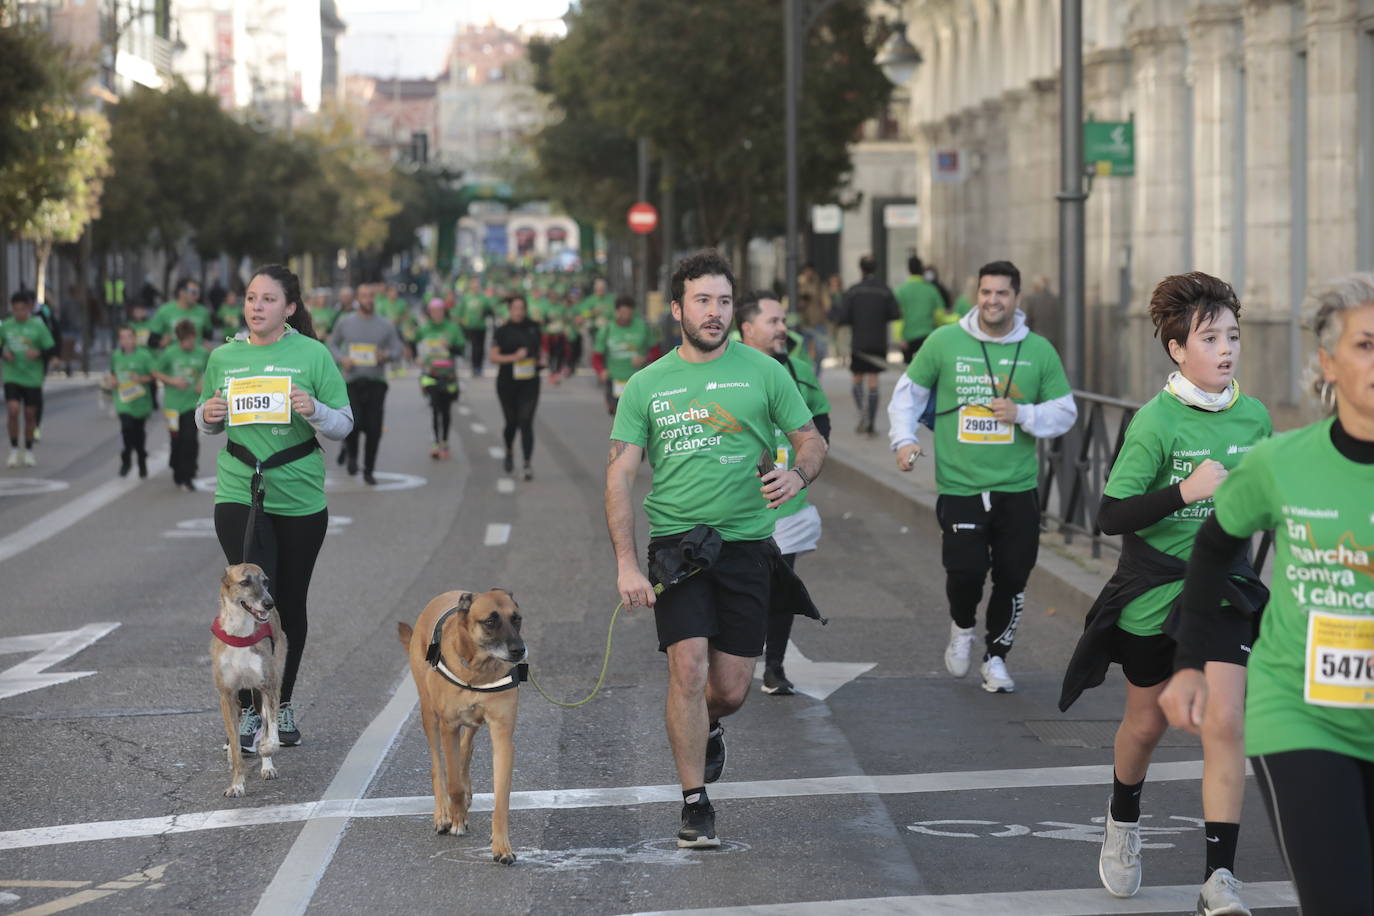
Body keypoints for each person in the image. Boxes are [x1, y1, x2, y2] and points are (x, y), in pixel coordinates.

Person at [1160, 273, 1374, 915]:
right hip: (1303, 713)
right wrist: (1190, 662)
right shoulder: (1282, 462)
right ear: (1327, 363)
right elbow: (1216, 547)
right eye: (1366, 345)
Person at [1057, 273, 1270, 912]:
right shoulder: (1154, 422)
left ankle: (1218, 878)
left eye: (1233, 335)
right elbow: (1110, 516)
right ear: (1178, 349)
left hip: (1224, 589)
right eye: (1210, 337)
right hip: (1154, 592)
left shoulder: (1254, 415)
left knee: (1224, 723)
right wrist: (1187, 490)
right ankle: (1123, 818)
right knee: (1146, 724)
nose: (1226, 348)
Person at [605, 250, 825, 849]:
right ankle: (694, 803)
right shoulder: (647, 385)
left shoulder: (765, 372)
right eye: (703, 300)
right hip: (677, 547)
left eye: (724, 301)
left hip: (748, 546)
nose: (715, 312)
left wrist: (799, 476)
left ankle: (707, 727)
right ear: (677, 308)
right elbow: (620, 475)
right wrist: (627, 563)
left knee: (728, 690)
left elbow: (811, 440)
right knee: (687, 667)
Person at [888, 259, 1077, 693]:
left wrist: (1023, 413)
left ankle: (996, 658)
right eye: (986, 292)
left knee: (1013, 576)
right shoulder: (944, 342)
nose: (993, 301)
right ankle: (962, 627)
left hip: (1017, 487)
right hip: (961, 484)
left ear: (1017, 298)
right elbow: (907, 397)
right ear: (978, 294)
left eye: (1002, 293)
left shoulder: (1038, 351)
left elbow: (1066, 411)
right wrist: (903, 440)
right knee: (967, 572)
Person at [197, 263, 352, 753]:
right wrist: (208, 414)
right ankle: (248, 714)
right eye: (250, 298)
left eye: (267, 299)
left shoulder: (312, 354)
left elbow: (343, 423)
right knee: (249, 598)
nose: (256, 307)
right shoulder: (224, 356)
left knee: (286, 602)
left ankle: (280, 702)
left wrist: (315, 410)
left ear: (289, 307)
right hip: (240, 489)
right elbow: (206, 419)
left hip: (299, 493)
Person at [736, 290, 831, 696]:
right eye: (773, 321)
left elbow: (821, 425)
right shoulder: (724, 369)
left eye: (783, 320)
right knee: (741, 590)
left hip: (787, 504)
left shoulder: (800, 370)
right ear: (747, 329)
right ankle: (731, 661)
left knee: (780, 585)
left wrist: (799, 467)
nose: (782, 329)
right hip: (734, 508)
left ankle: (773, 666)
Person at [329, 282, 403, 485]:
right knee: (354, 422)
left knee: (374, 429)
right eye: (364, 296)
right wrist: (342, 359)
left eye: (371, 296)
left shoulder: (385, 325)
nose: (368, 300)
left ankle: (369, 469)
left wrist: (386, 355)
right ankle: (352, 454)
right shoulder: (345, 322)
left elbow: (398, 350)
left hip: (376, 381)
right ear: (357, 299)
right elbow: (332, 344)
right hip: (352, 380)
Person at [832, 254, 899, 435]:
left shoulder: (854, 291)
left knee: (857, 378)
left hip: (859, 342)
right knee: (873, 380)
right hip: (878, 341)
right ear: (875, 268)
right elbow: (895, 313)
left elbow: (843, 317)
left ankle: (862, 411)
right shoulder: (884, 290)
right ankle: (872, 419)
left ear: (860, 269)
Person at [489, 294, 543, 480]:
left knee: (526, 421)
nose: (519, 312)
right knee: (511, 422)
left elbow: (540, 352)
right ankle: (510, 450)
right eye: (515, 309)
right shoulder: (502, 331)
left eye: (522, 308)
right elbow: (493, 357)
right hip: (507, 383)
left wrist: (541, 361)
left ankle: (527, 463)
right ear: (510, 310)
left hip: (530, 382)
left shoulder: (534, 328)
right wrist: (514, 357)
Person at [153, 318, 211, 491]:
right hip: (172, 405)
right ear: (179, 339)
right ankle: (177, 468)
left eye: (190, 339)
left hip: (192, 404)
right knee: (176, 440)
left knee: (190, 439)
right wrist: (172, 380)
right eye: (184, 340)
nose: (187, 343)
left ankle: (188, 474)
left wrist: (204, 380)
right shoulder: (170, 353)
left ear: (194, 336)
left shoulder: (202, 352)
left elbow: (212, 369)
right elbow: (156, 371)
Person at [2, 290, 55, 467]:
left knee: (30, 414)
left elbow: (50, 348)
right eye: (16, 310)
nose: (19, 313)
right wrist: (4, 353)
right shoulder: (5, 326)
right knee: (13, 409)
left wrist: (39, 352)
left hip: (33, 377)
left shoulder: (38, 326)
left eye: (23, 309)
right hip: (12, 375)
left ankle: (29, 450)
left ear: (29, 308)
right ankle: (15, 449)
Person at [415, 297, 466, 459]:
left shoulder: (453, 328)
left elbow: (461, 350)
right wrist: (418, 359)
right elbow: (414, 347)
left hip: (448, 374)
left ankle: (445, 441)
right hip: (430, 375)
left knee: (446, 410)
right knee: (435, 407)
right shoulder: (424, 329)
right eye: (434, 312)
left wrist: (450, 346)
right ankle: (436, 442)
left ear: (445, 312)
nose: (437, 314)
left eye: (440, 311)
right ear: (429, 313)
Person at [593, 295, 657, 416]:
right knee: (618, 413)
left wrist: (645, 359)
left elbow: (656, 352)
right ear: (616, 311)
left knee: (637, 413)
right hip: (614, 379)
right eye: (622, 312)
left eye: (629, 313)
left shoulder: (643, 327)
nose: (626, 316)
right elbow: (596, 357)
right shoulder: (607, 330)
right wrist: (601, 371)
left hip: (638, 379)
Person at [107, 325, 154, 477]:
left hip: (141, 402)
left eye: (129, 337)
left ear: (135, 338)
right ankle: (126, 459)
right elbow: (112, 373)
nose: (126, 341)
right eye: (122, 337)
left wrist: (140, 379)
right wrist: (112, 381)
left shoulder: (144, 355)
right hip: (123, 402)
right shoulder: (116, 356)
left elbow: (153, 376)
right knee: (126, 429)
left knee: (138, 434)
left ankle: (141, 458)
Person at [895, 256, 945, 364]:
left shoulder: (900, 291)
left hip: (908, 337)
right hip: (927, 335)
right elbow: (939, 316)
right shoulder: (931, 290)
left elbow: (898, 316)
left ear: (908, 270)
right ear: (921, 270)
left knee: (907, 371)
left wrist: (898, 336)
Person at [149, 278, 213, 349]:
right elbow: (152, 340)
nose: (197, 296)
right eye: (193, 292)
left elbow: (208, 335)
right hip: (173, 357)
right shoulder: (164, 311)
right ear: (181, 292)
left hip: (197, 358)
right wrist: (161, 343)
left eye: (199, 293)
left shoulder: (203, 312)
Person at [1021, 275, 1062, 353]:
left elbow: (1027, 321)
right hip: (1054, 340)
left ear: (1037, 286)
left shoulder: (1031, 300)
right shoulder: (1055, 299)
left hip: (1037, 338)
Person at [458, 278, 490, 378]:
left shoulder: (483, 297)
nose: (475, 288)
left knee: (480, 348)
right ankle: (475, 367)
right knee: (474, 347)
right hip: (470, 326)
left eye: (477, 286)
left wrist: (484, 313)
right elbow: (460, 311)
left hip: (481, 326)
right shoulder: (466, 297)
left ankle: (479, 366)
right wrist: (462, 321)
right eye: (474, 286)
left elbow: (489, 310)